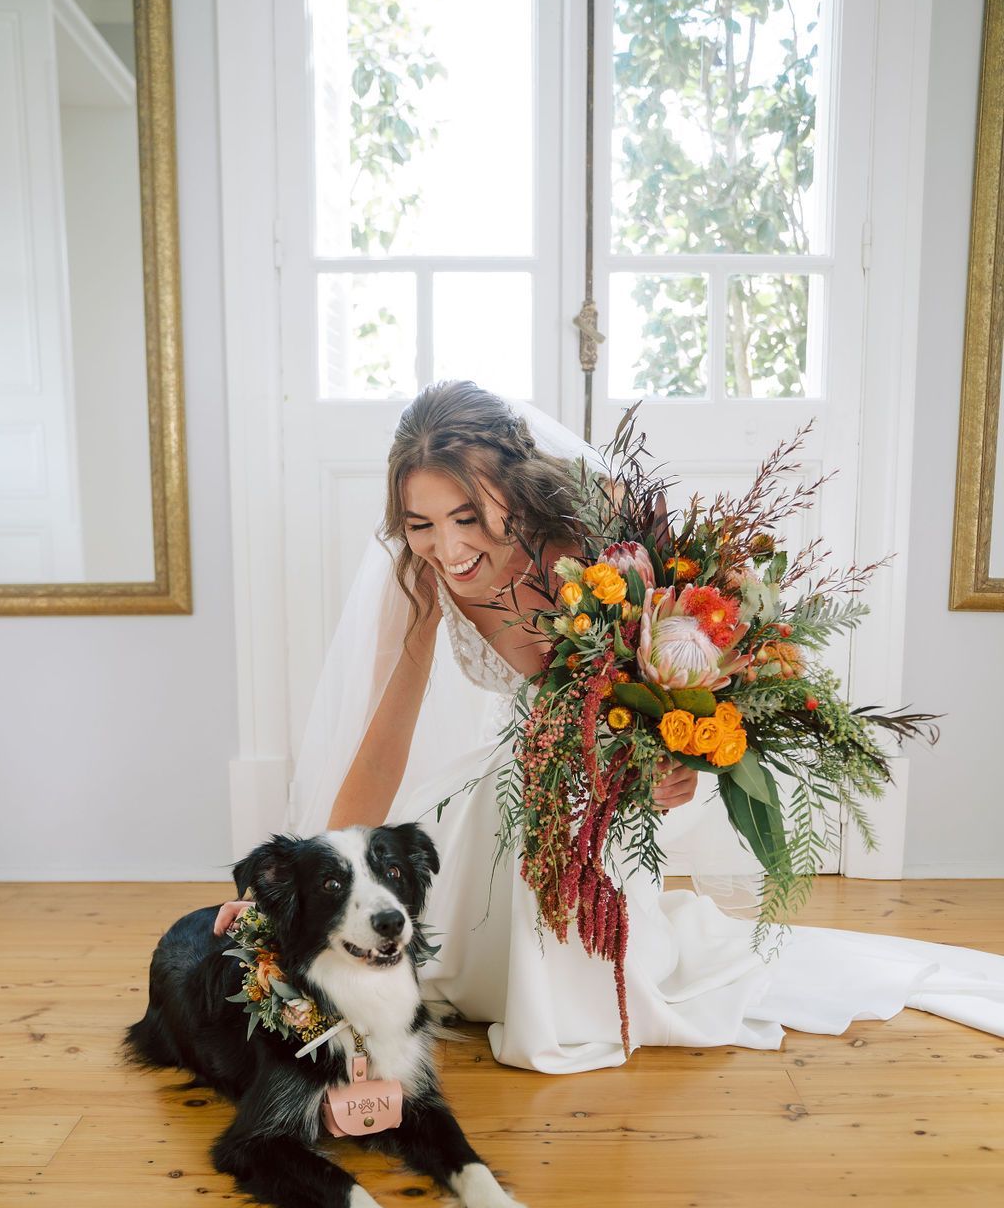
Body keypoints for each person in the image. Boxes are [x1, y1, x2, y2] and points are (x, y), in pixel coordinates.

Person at [215, 381, 1004, 1072]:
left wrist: (676, 759)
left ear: (515, 490)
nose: (447, 548)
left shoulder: (597, 543)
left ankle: (573, 986)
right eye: (420, 524)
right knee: (497, 820)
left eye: (467, 515)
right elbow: (384, 739)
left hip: (599, 785)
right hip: (523, 775)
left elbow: (688, 676)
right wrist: (306, 878)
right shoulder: (422, 579)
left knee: (560, 839)